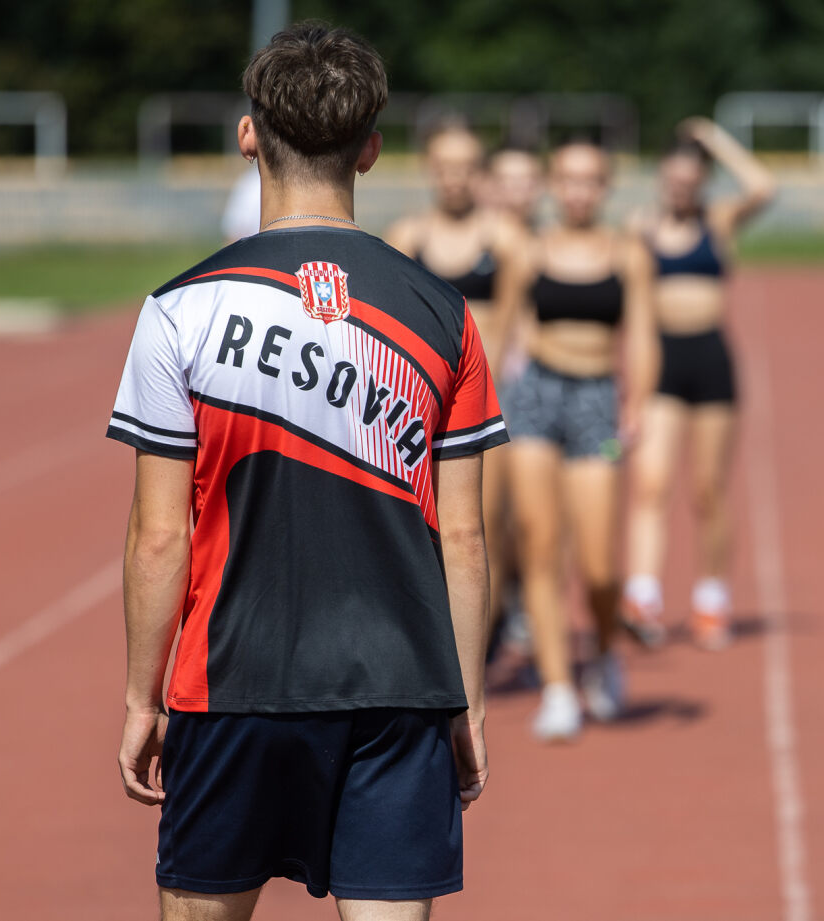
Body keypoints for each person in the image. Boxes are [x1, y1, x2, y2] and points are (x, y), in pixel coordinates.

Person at [108, 23, 507, 921]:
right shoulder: (444, 311)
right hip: (403, 684)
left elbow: (159, 531)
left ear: (249, 134)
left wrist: (143, 696)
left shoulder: (181, 309)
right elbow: (467, 535)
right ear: (370, 148)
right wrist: (468, 699)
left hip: (229, 680)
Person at [504, 140, 658, 741]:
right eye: (567, 180)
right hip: (538, 398)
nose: (577, 191)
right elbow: (507, 327)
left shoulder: (627, 252)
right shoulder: (530, 250)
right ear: (552, 185)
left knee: (598, 564)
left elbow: (642, 335)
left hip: (598, 398)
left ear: (606, 187)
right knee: (541, 548)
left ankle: (603, 648)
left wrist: (638, 404)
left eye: (590, 180)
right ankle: (559, 687)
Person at [622, 116, 776, 650]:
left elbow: (765, 187)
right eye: (673, 181)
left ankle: (713, 598)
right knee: (651, 483)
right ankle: (642, 595)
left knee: (708, 489)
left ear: (703, 182)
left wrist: (716, 140)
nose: (681, 190)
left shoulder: (721, 219)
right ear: (662, 178)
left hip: (711, 361)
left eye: (691, 181)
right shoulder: (639, 226)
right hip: (662, 363)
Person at [385, 126, 527, 642]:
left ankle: (488, 631)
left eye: (466, 167)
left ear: (481, 173)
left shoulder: (504, 237)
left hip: (486, 396)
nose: (454, 179)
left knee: (482, 523)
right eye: (444, 167)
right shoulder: (406, 237)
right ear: (429, 169)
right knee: (426, 527)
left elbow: (510, 322)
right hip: (422, 397)